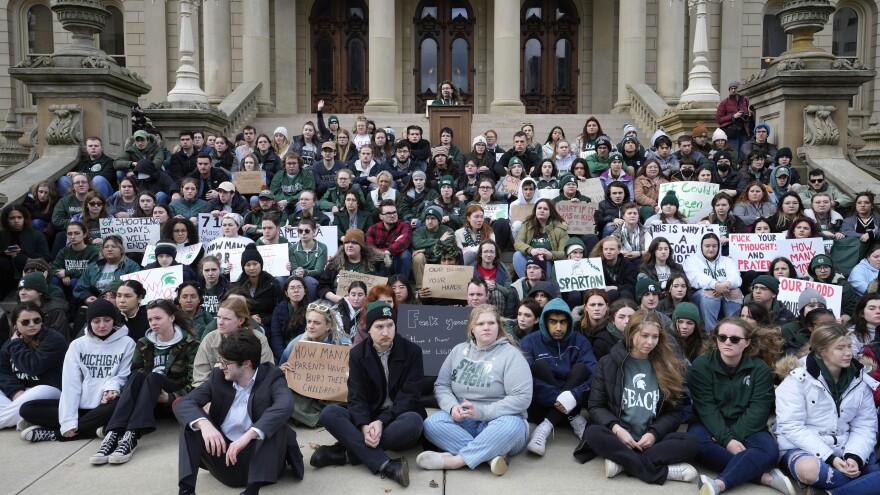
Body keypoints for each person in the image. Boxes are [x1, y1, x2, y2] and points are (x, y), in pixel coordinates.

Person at [576, 311, 699, 484]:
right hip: (619, 436)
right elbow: (596, 405)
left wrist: (654, 434)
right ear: (631, 333)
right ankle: (664, 472)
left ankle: (623, 463)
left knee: (692, 442)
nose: (650, 342)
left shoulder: (667, 366)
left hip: (652, 439)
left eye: (655, 337)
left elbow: (674, 413)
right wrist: (617, 429)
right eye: (645, 336)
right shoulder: (607, 362)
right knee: (593, 432)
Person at [311, 301, 424, 487]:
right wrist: (364, 425)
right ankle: (386, 464)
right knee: (329, 413)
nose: (385, 332)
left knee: (414, 421)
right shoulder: (357, 354)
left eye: (390, 325)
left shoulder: (412, 351)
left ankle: (346, 454)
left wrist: (382, 421)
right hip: (370, 415)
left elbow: (410, 396)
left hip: (398, 418)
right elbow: (356, 396)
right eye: (379, 327)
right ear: (368, 329)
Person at [175, 331, 304, 495]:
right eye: (220, 360)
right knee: (192, 422)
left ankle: (251, 490)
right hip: (223, 456)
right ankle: (186, 490)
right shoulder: (218, 377)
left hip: (259, 462)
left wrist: (249, 435)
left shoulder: (272, 377)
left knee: (274, 424)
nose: (221, 366)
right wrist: (205, 424)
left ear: (246, 363)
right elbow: (184, 403)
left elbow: (285, 405)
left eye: (226, 362)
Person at [417, 304, 532, 476]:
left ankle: (456, 461)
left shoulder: (511, 355)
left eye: (491, 323)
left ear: (498, 327)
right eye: (480, 324)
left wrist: (482, 412)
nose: (486, 327)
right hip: (465, 421)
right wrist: (451, 407)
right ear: (472, 328)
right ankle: (489, 457)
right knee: (431, 424)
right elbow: (442, 385)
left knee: (513, 425)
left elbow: (522, 397)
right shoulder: (458, 351)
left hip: (500, 422)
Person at [688, 318, 794, 495]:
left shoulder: (760, 369)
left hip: (749, 426)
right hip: (708, 424)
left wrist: (731, 437)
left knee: (769, 451)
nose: (727, 342)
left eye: (735, 339)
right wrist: (727, 440)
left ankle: (720, 483)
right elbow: (706, 408)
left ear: (747, 343)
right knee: (697, 444)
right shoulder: (701, 365)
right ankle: (764, 477)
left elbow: (758, 410)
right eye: (722, 337)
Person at [774, 323, 880, 495]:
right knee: (810, 471)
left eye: (849, 346)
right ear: (822, 351)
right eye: (840, 348)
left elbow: (865, 426)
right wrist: (830, 458)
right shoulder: (797, 379)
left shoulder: (860, 380)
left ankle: (828, 492)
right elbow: (791, 426)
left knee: (867, 471)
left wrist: (854, 456)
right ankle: (864, 486)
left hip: (846, 445)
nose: (848, 353)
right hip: (803, 447)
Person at [89, 299, 198, 465]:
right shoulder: (144, 343)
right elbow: (135, 374)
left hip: (172, 401)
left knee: (154, 376)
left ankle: (132, 435)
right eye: (150, 319)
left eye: (158, 318)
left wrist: (168, 397)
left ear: (171, 318)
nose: (153, 323)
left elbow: (195, 384)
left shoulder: (190, 344)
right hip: (147, 402)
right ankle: (114, 434)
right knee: (137, 376)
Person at [18, 299, 135, 443]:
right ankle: (95, 428)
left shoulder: (127, 343)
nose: (102, 325)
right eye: (96, 321)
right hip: (81, 405)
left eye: (107, 320)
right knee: (27, 409)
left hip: (107, 404)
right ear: (89, 322)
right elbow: (70, 384)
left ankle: (54, 434)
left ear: (114, 321)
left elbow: (123, 375)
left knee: (120, 406)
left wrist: (111, 388)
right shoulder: (77, 345)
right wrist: (68, 421)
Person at [521, 298, 596, 455]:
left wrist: (573, 395)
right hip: (541, 407)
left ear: (569, 322)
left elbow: (594, 373)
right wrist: (559, 398)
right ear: (544, 322)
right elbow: (523, 379)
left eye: (563, 322)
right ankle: (573, 418)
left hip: (572, 403)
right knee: (537, 367)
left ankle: (545, 428)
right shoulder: (529, 342)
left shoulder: (580, 341)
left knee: (581, 369)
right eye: (553, 322)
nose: (558, 327)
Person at [279, 302, 352, 427]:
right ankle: (317, 417)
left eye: (317, 323)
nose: (311, 326)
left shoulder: (342, 343)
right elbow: (280, 367)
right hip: (304, 394)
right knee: (283, 395)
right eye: (309, 322)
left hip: (333, 395)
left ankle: (315, 416)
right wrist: (282, 370)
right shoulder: (296, 344)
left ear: (328, 325)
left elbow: (354, 373)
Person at [0, 303, 67, 429]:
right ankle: (23, 418)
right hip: (21, 392)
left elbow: (33, 367)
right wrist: (15, 391)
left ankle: (12, 417)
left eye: (37, 320)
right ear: (15, 324)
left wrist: (16, 345)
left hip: (49, 390)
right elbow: (2, 371)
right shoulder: (10, 343)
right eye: (25, 322)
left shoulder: (54, 339)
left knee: (39, 390)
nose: (32, 324)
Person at [193, 296, 274, 387]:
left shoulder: (258, 339)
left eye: (226, 319)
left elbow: (267, 373)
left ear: (241, 320)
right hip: (216, 392)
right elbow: (200, 378)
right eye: (219, 317)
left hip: (251, 391)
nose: (220, 322)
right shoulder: (209, 339)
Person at [685, 233, 743, 330]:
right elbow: (696, 278)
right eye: (707, 246)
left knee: (735, 291)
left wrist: (726, 284)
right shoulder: (692, 260)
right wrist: (715, 285)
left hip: (725, 291)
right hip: (699, 295)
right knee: (710, 293)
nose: (711, 249)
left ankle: (733, 328)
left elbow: (736, 277)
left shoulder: (727, 260)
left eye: (714, 246)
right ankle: (711, 332)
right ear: (701, 247)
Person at [317, 228, 389, 303]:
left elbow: (385, 286)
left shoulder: (376, 264)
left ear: (361, 246)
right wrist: (335, 298)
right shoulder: (334, 263)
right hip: (338, 303)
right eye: (347, 242)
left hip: (367, 304)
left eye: (354, 243)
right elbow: (322, 286)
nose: (350, 245)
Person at [72, 235, 141, 306]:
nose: (109, 249)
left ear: (121, 250)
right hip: (96, 304)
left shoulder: (131, 266)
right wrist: (87, 297)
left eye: (114, 246)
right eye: (106, 247)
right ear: (102, 250)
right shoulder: (93, 267)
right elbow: (80, 289)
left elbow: (135, 288)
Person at [513, 199, 569, 279]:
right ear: (535, 210)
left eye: (545, 209)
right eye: (539, 208)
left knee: (544, 261)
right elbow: (518, 242)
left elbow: (564, 252)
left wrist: (551, 255)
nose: (542, 210)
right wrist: (531, 250)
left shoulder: (560, 229)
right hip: (531, 260)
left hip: (548, 261)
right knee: (517, 255)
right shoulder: (528, 225)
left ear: (550, 213)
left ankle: (543, 287)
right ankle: (528, 284)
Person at [412, 205, 455, 290]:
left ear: (439, 220)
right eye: (427, 218)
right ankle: (420, 288)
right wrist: (439, 240)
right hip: (425, 260)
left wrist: (425, 250)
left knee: (447, 254)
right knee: (418, 257)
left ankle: (446, 288)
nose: (429, 221)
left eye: (433, 218)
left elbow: (444, 247)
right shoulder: (419, 231)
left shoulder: (448, 231)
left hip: (441, 259)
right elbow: (417, 244)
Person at [366, 200, 412, 279]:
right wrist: (389, 251)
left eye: (394, 212)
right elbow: (371, 250)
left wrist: (388, 251)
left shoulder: (404, 226)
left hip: (398, 261)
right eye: (388, 213)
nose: (392, 215)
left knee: (405, 254)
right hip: (381, 262)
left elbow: (404, 241)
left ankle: (402, 283)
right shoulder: (373, 229)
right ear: (381, 216)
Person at [591, 236, 637, 302]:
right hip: (604, 296)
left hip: (623, 298)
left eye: (612, 249)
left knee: (625, 293)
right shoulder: (596, 265)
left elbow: (632, 287)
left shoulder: (627, 265)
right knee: (613, 293)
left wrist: (616, 288)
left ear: (619, 251)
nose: (608, 252)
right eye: (605, 249)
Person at [715, 81, 751, 155]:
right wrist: (733, 116)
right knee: (734, 153)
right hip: (731, 132)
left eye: (735, 88)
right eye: (731, 88)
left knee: (744, 154)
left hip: (744, 131)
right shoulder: (724, 103)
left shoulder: (745, 101)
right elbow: (719, 119)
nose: (733, 90)